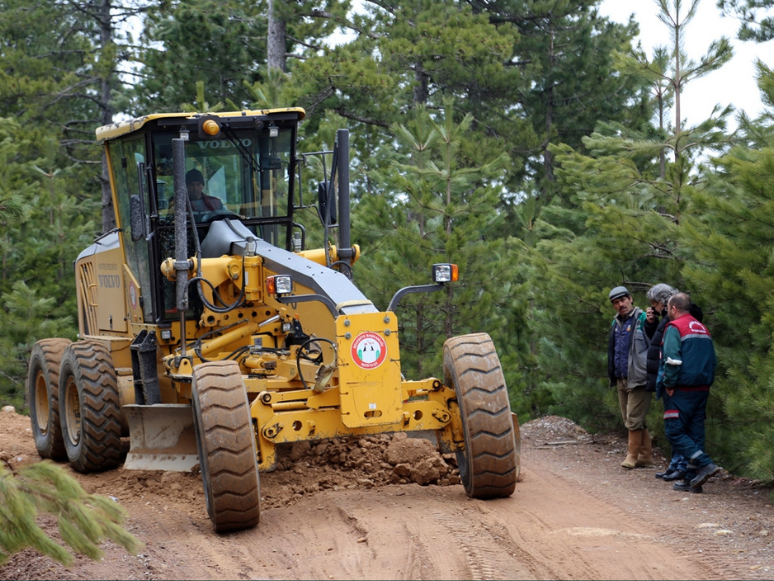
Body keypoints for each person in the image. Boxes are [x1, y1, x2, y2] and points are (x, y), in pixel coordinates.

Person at [658, 292, 720, 492]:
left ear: (673, 308)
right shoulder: (702, 328)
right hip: (702, 389)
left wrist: (669, 383)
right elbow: (713, 359)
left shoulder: (675, 327)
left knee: (674, 432)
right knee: (695, 434)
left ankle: (705, 464)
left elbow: (672, 360)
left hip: (681, 389)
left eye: (667, 308)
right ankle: (693, 481)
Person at [607, 286, 654, 469]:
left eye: (623, 300)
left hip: (639, 377)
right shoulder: (616, 323)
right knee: (631, 418)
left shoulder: (643, 319)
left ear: (631, 299)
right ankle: (646, 456)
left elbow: (654, 339)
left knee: (633, 419)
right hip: (621, 377)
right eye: (616, 303)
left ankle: (632, 456)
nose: (620, 305)